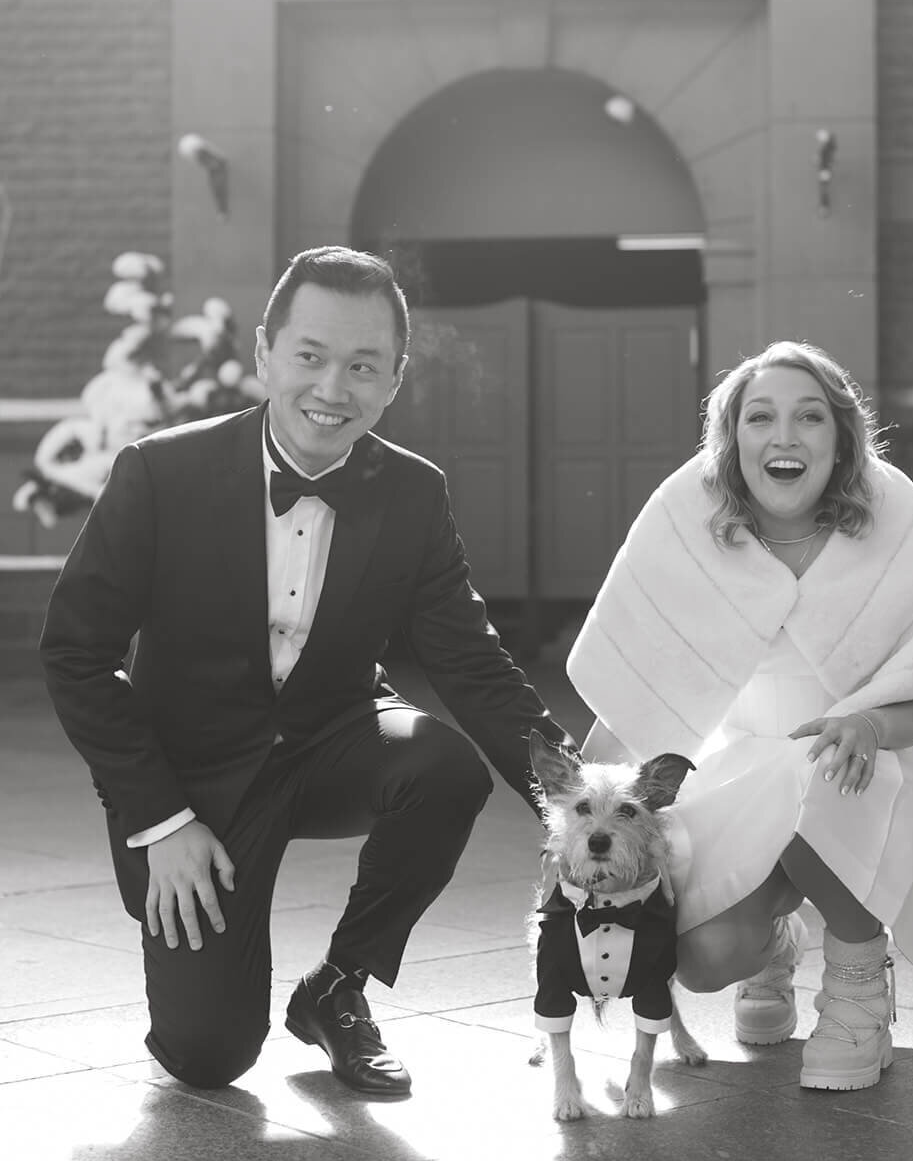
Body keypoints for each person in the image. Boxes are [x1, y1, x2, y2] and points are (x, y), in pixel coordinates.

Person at [40, 246, 571, 1095]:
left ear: (393, 380)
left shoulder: (412, 492)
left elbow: (469, 659)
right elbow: (75, 654)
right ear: (264, 355)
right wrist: (161, 820)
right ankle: (208, 978)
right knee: (208, 1056)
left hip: (333, 737)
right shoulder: (159, 472)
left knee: (440, 768)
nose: (333, 388)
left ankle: (339, 986)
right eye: (311, 357)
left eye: (363, 366)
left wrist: (574, 795)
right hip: (193, 781)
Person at [567, 340, 913, 1092]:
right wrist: (577, 819)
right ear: (731, 438)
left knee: (821, 772)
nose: (783, 436)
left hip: (872, 764)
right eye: (759, 417)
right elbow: (632, 692)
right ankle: (773, 946)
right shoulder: (685, 522)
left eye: (809, 418)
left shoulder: (900, 523)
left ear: (840, 441)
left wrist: (870, 724)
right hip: (740, 768)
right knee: (702, 961)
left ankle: (859, 978)